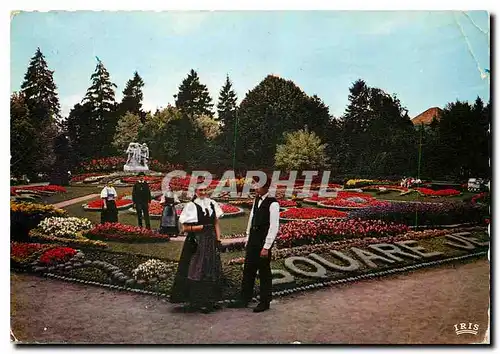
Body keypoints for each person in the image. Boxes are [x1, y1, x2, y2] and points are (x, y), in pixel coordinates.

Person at [170, 186, 224, 313]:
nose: (203, 193)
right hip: (198, 241)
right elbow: (185, 228)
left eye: (205, 190)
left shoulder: (212, 204)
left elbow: (216, 223)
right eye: (200, 190)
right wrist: (202, 227)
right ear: (195, 191)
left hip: (210, 240)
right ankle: (198, 302)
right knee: (198, 269)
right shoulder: (191, 206)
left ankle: (210, 300)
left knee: (211, 268)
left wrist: (218, 239)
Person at [230, 177, 280, 312]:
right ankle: (244, 299)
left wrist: (266, 246)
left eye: (257, 185)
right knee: (248, 270)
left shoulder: (273, 203)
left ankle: (265, 302)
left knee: (264, 272)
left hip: (263, 242)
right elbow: (251, 218)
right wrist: (247, 237)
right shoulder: (256, 199)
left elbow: (274, 227)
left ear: (265, 186)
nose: (255, 187)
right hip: (253, 239)